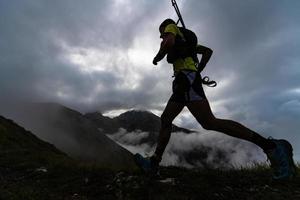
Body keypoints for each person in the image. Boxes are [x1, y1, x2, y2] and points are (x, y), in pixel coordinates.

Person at [135, 19, 296, 180]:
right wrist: (198, 70)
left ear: (170, 28)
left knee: (209, 122)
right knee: (170, 119)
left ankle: (273, 147)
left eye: (162, 34)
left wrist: (158, 56)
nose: (162, 37)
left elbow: (169, 42)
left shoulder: (172, 29)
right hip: (186, 80)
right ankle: (154, 163)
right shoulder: (187, 44)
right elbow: (208, 51)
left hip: (186, 79)